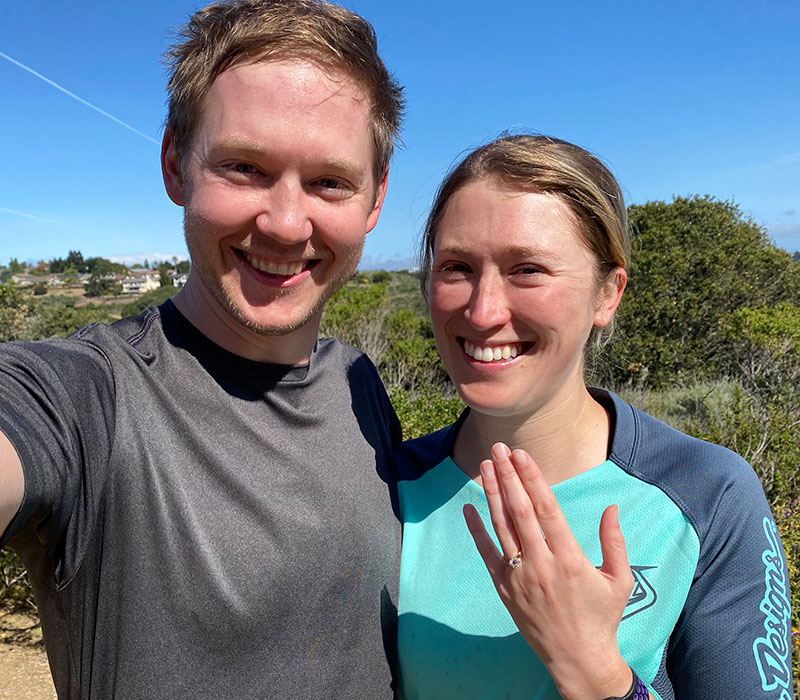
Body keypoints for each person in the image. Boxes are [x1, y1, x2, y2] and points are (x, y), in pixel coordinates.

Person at [0, 1, 405, 697]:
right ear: (176, 164)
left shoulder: (359, 384)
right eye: (244, 167)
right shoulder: (84, 395)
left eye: (329, 182)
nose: (284, 223)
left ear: (374, 201)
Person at [395, 134, 793, 699]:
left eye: (528, 269)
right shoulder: (391, 486)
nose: (483, 311)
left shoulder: (708, 496)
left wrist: (595, 670)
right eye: (457, 267)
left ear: (608, 294)